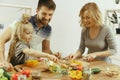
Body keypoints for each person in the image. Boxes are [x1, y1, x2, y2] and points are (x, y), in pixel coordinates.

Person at [0, 0, 60, 68]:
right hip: (17, 66)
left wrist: (53, 55)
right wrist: (2, 61)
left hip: (30, 65)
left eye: (50, 14)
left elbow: (46, 50)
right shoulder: (24, 22)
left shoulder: (48, 29)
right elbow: (1, 40)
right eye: (44, 13)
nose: (47, 17)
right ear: (37, 11)